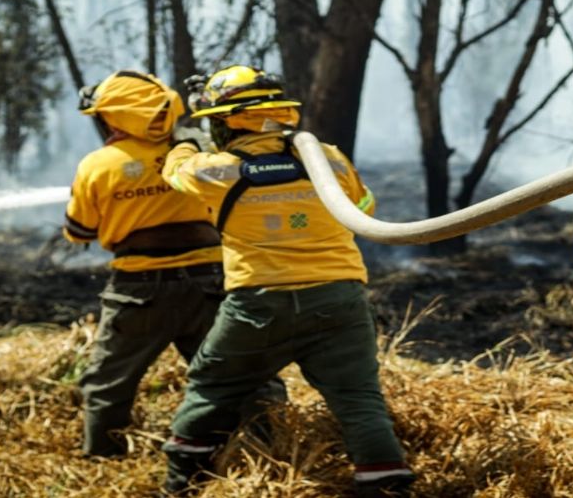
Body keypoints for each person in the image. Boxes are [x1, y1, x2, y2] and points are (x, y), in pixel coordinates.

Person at [158, 65, 414, 496]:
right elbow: (363, 209)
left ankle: (179, 483)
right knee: (358, 399)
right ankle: (387, 484)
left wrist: (188, 138)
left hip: (258, 305)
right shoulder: (328, 158)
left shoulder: (215, 171)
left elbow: (175, 171)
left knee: (212, 386)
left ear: (223, 124)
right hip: (340, 299)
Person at [65, 70, 224, 457]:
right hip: (213, 283)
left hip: (138, 289)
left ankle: (104, 461)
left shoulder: (98, 165)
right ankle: (263, 445)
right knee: (235, 374)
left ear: (117, 116)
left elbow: (79, 231)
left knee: (107, 384)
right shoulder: (200, 149)